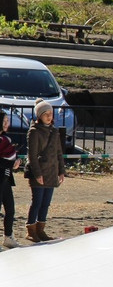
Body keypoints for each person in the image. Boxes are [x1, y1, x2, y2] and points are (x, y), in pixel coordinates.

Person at [24, 101, 65, 243]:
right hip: (40, 171)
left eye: (50, 114)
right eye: (45, 114)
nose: (49, 116)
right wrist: (37, 174)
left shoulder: (54, 131)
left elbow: (59, 152)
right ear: (39, 116)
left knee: (46, 203)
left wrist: (61, 171)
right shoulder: (34, 131)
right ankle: (31, 229)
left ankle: (40, 229)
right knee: (37, 202)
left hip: (51, 172)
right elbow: (32, 155)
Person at [0, 109, 22, 249]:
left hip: (6, 179)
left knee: (10, 209)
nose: (7, 124)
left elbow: (11, 155)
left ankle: (8, 236)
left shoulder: (6, 139)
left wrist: (16, 160)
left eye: (8, 121)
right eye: (4, 121)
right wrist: (10, 163)